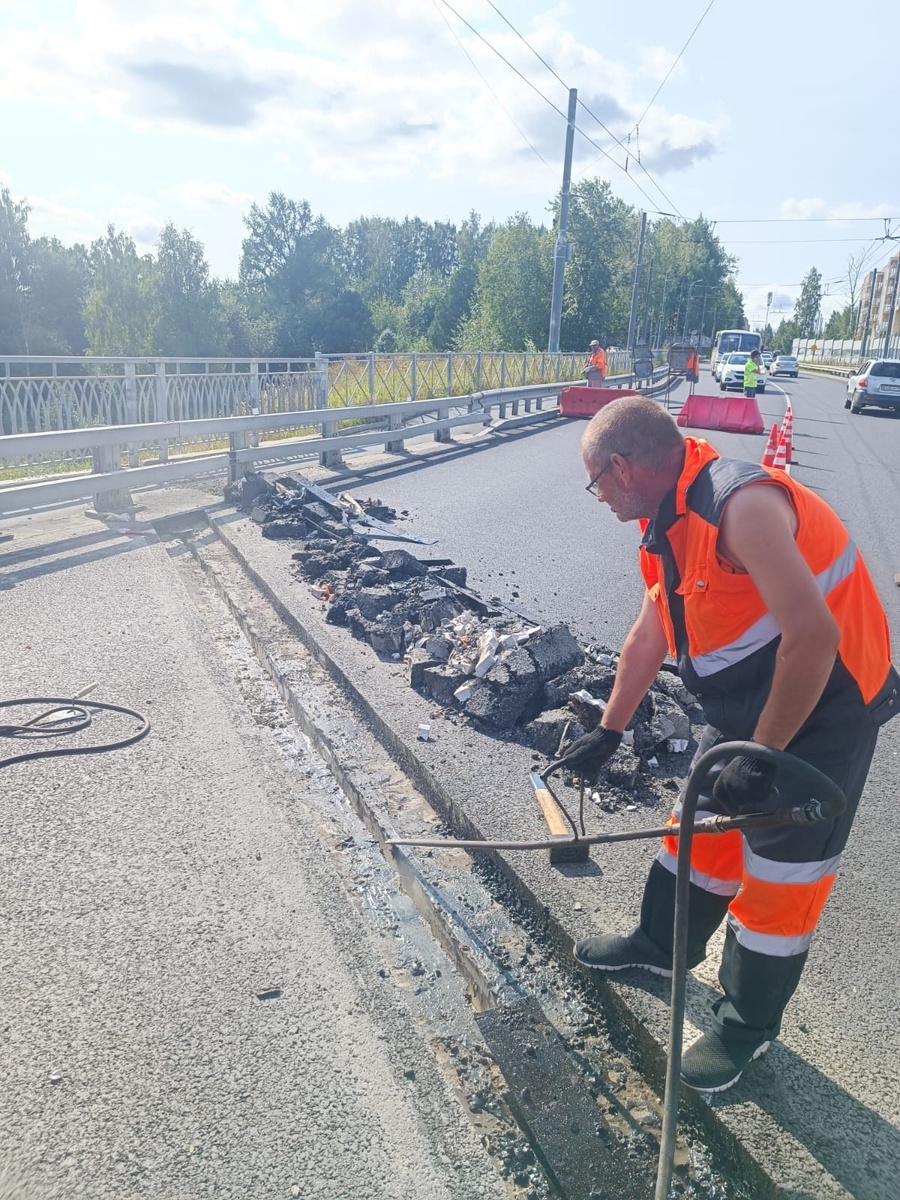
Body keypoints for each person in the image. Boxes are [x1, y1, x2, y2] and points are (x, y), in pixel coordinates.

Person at [554, 396, 899, 1093]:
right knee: (699, 833)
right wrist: (608, 729)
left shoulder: (741, 508)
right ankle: (662, 946)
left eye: (596, 483)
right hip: (753, 699)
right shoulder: (666, 526)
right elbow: (649, 636)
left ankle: (747, 1028)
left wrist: (761, 756)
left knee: (781, 876)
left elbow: (815, 639)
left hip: (827, 708)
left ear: (622, 467)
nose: (598, 498)